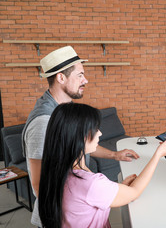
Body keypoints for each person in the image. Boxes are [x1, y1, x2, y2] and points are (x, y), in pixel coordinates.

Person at [21, 46, 139, 226]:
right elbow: (39, 184)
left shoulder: (64, 109)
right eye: (80, 75)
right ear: (61, 77)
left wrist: (114, 155)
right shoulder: (43, 122)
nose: (86, 80)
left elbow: (79, 143)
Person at [38, 103, 166, 227]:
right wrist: (158, 155)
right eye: (95, 129)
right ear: (80, 136)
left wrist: (114, 188)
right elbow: (134, 193)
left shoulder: (58, 170)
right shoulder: (88, 182)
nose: (100, 133)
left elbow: (90, 199)